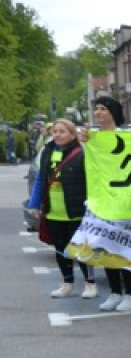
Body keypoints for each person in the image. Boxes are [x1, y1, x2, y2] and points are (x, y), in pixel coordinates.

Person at [27, 118, 97, 299]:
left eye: (62, 131)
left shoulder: (82, 153)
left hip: (76, 211)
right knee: (60, 249)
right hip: (54, 211)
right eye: (55, 131)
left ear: (73, 134)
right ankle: (68, 283)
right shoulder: (48, 152)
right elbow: (41, 180)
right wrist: (34, 204)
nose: (57, 134)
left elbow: (92, 180)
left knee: (81, 249)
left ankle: (90, 284)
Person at [88, 96, 131, 313]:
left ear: (113, 112)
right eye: (96, 109)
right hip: (101, 199)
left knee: (124, 247)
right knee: (105, 246)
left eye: (103, 109)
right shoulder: (91, 138)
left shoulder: (126, 137)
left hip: (123, 201)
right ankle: (114, 292)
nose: (98, 113)